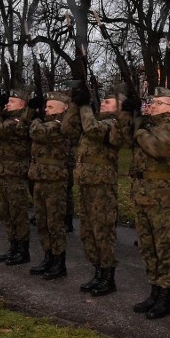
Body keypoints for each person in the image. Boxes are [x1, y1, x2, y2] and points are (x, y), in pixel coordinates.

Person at [120, 86, 170, 320]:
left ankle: (166, 297)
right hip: (143, 196)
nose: (152, 106)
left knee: (163, 248)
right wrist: (129, 114)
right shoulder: (147, 127)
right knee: (148, 248)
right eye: (151, 103)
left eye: (157, 103)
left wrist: (140, 131)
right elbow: (122, 138)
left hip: (162, 199)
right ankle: (154, 291)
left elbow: (157, 149)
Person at [62, 85, 123, 296]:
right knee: (88, 232)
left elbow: (92, 130)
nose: (104, 103)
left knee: (102, 232)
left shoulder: (114, 124)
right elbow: (67, 129)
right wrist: (75, 105)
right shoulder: (94, 119)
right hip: (87, 184)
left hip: (102, 186)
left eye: (109, 101)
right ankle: (97, 272)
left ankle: (108, 277)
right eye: (103, 100)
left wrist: (86, 105)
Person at [28, 91, 72, 280]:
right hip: (40, 178)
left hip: (55, 181)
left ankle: (59, 261)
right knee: (42, 222)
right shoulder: (47, 123)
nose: (47, 109)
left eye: (51, 106)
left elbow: (37, 132)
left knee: (55, 223)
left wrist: (35, 120)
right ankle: (48, 256)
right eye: (46, 106)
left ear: (63, 109)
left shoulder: (61, 125)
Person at [0, 86, 33, 266]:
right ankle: (13, 246)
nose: (8, 104)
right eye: (7, 102)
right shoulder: (8, 118)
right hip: (3, 172)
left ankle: (22, 250)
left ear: (22, 104)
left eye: (11, 101)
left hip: (15, 174)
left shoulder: (19, 120)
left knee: (17, 213)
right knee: (6, 213)